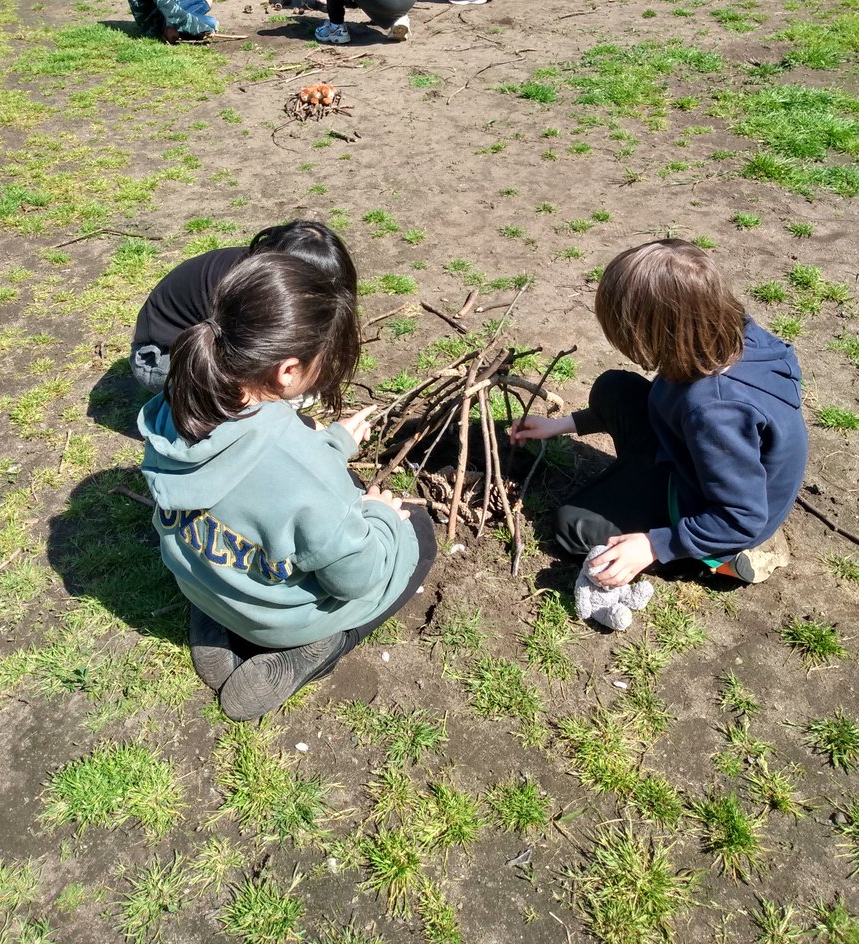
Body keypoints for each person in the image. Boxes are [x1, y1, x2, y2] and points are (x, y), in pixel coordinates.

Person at [139, 251, 437, 721]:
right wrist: (380, 514)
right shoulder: (302, 465)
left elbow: (259, 467)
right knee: (417, 531)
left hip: (199, 580)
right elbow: (355, 577)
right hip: (278, 620)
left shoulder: (179, 402)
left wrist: (334, 444)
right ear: (288, 371)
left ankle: (214, 623)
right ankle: (310, 649)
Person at [511, 240, 808, 587]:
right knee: (613, 387)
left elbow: (741, 518)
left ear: (659, 330)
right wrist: (562, 425)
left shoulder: (714, 411)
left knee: (571, 526)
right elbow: (667, 400)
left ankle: (717, 562)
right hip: (696, 463)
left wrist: (654, 545)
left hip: (720, 515)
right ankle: (642, 484)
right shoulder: (722, 335)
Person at [130, 220, 357, 393]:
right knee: (252, 400)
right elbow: (242, 361)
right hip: (160, 359)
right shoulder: (241, 289)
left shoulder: (261, 274)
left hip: (207, 346)